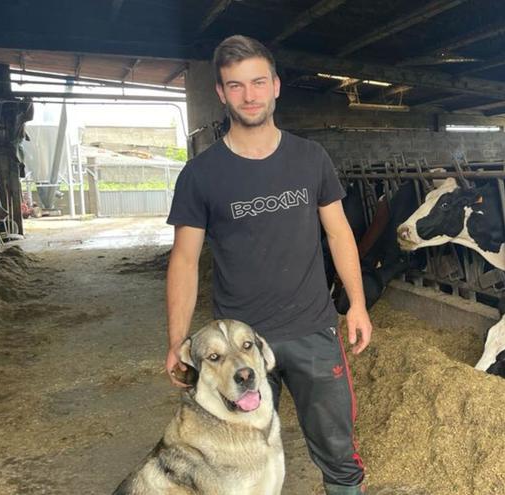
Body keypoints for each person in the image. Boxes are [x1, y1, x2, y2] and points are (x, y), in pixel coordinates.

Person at [164, 34, 371, 495]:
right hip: (240, 346)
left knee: (338, 450)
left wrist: (356, 304)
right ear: (220, 93)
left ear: (276, 85)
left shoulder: (310, 158)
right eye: (235, 86)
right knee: (238, 457)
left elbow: (338, 233)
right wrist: (178, 341)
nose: (249, 95)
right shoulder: (200, 175)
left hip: (315, 332)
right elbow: (184, 259)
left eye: (258, 82)